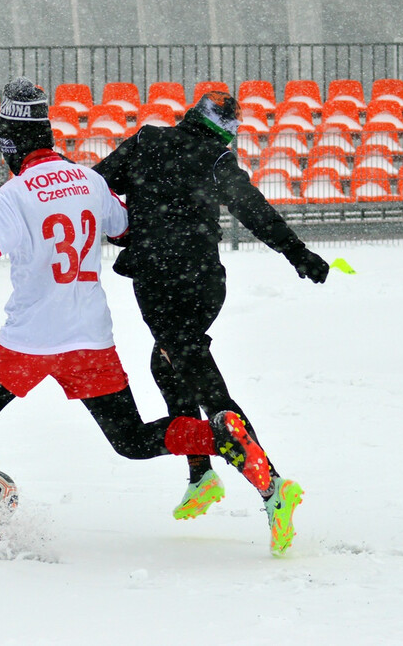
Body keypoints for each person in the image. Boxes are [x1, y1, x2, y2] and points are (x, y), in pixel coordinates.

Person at [0, 78, 277, 558]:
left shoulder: (16, 194)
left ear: (8, 140)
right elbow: (129, 228)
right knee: (130, 438)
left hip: (29, 340)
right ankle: (220, 437)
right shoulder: (90, 181)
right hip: (89, 338)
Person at [94, 90, 329, 554]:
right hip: (204, 281)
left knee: (206, 387)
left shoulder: (145, 141)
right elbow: (252, 207)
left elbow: (95, 188)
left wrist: (131, 224)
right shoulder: (218, 159)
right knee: (169, 365)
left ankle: (273, 487)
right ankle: (201, 474)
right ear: (224, 127)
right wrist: (296, 252)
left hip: (160, 283)